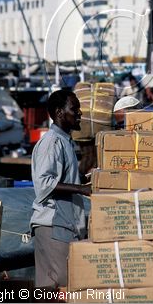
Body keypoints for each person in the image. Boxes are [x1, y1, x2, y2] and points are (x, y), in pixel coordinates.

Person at [30, 89, 91, 288]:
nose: (79, 113)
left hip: (64, 226)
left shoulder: (65, 141)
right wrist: (81, 190)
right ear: (59, 112)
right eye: (75, 109)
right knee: (59, 287)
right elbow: (44, 183)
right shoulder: (52, 142)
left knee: (52, 289)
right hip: (53, 226)